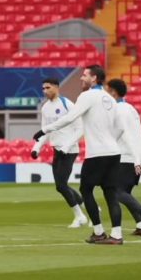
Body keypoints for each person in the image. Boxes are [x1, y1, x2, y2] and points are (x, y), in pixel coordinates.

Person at [33, 65, 123, 245]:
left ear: (94, 79)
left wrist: (44, 130)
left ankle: (98, 231)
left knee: (85, 190)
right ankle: (117, 235)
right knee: (111, 194)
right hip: (114, 151)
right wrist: (109, 141)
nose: (81, 78)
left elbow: (70, 118)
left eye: (84, 75)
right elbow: (120, 128)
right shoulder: (110, 99)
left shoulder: (87, 96)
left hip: (97, 153)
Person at [30, 77, 88, 228]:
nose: (45, 91)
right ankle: (89, 208)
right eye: (43, 88)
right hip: (56, 149)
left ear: (56, 87)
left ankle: (80, 216)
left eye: (48, 88)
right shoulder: (45, 108)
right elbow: (46, 131)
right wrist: (36, 148)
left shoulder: (67, 104)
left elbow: (79, 128)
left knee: (61, 186)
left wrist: (67, 147)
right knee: (62, 185)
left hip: (69, 150)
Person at [106, 79, 141, 236]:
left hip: (127, 155)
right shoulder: (130, 108)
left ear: (113, 92)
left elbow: (123, 134)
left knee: (116, 191)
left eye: (107, 91)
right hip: (137, 154)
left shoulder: (118, 110)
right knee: (125, 192)